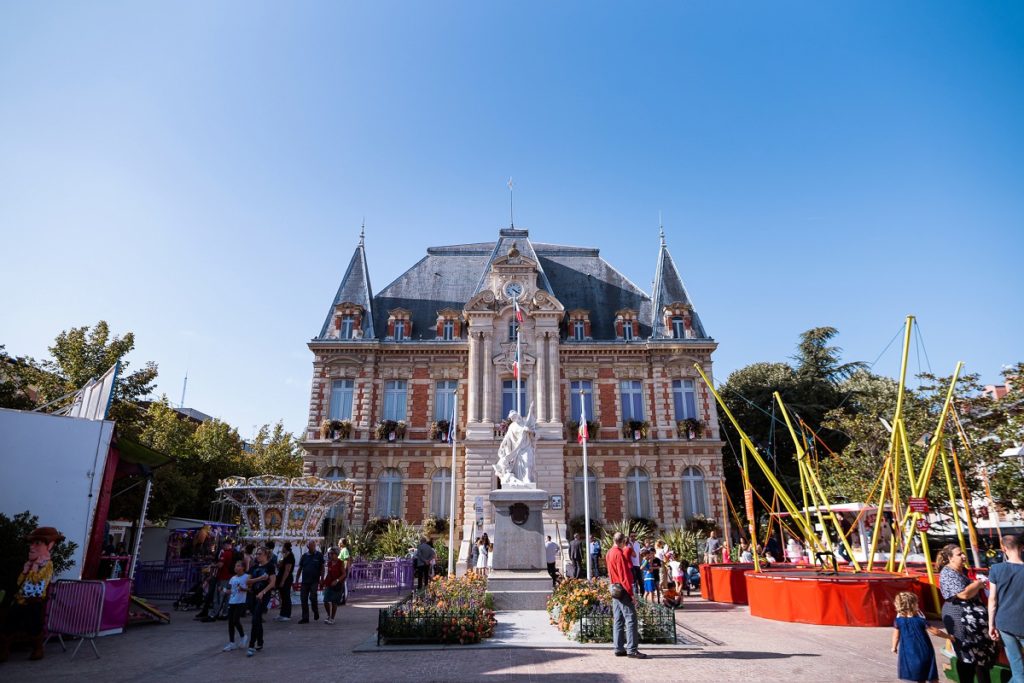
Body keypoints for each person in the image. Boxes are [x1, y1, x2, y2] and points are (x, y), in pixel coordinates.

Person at [937, 544, 998, 682]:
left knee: (980, 657)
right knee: (966, 655)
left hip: (974, 618)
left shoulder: (962, 571)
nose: (964, 556)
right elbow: (963, 595)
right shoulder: (947, 573)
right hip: (961, 618)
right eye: (959, 554)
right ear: (949, 558)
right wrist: (977, 584)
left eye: (963, 553)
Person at [605, 532, 647, 659]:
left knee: (618, 619)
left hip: (614, 587)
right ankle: (632, 649)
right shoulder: (619, 554)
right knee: (631, 618)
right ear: (623, 541)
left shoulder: (609, 553)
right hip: (622, 589)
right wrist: (631, 593)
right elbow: (624, 576)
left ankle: (618, 648)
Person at [988, 534, 1024, 682]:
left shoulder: (996, 569)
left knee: (1017, 667)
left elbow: (993, 600)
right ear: (1022, 548)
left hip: (1004, 623)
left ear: (1003, 549)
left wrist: (991, 624)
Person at [891, 591, 946, 683]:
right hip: (924, 650)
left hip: (907, 652)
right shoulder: (920, 620)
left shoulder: (898, 621)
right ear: (914, 605)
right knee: (930, 674)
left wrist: (894, 647)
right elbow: (935, 631)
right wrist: (949, 637)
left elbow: (896, 636)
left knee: (914, 675)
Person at [494, 405, 538, 487]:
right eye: (512, 418)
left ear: (518, 415)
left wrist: (529, 431)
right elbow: (507, 437)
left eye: (515, 416)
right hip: (517, 449)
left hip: (526, 447)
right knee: (519, 466)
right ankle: (522, 481)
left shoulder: (526, 423)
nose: (514, 419)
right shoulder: (512, 426)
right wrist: (503, 444)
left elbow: (535, 434)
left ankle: (527, 479)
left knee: (528, 463)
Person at [245, 548, 276, 657]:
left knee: (255, 619)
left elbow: (272, 583)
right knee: (256, 619)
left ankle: (251, 645)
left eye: (260, 554)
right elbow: (248, 581)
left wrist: (263, 592)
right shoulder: (254, 567)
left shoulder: (270, 566)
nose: (257, 556)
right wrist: (260, 578)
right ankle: (260, 641)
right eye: (256, 554)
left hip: (263, 595)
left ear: (266, 555)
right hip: (253, 594)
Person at [295, 541, 324, 623]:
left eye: (314, 546)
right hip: (305, 581)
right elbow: (300, 568)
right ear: (308, 547)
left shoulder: (319, 555)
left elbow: (322, 568)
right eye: (311, 546)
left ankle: (315, 611)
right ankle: (305, 617)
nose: (313, 547)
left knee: (313, 597)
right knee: (303, 599)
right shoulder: (304, 556)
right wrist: (297, 580)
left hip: (314, 580)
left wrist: (322, 578)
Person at [207, 539, 236, 621]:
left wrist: (213, 565)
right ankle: (225, 613)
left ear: (226, 544)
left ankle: (213, 614)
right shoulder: (234, 553)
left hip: (223, 577)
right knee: (228, 597)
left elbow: (220, 565)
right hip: (231, 577)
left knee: (219, 596)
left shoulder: (225, 553)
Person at [222, 560, 248, 651]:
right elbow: (229, 590)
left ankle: (243, 636)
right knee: (230, 623)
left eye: (239, 566)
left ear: (243, 567)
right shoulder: (232, 578)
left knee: (236, 620)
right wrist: (224, 590)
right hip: (232, 602)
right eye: (236, 566)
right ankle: (232, 643)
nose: (236, 567)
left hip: (240, 602)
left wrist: (243, 588)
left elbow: (249, 589)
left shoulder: (246, 577)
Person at [322, 548, 346, 624]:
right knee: (325, 600)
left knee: (334, 602)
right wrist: (324, 582)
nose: (330, 555)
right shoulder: (329, 563)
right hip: (329, 584)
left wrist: (337, 580)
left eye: (332, 554)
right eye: (330, 554)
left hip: (337, 585)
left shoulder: (340, 563)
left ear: (336, 554)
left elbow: (344, 574)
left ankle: (332, 618)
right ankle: (328, 615)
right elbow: (328, 573)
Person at [274, 541, 296, 622]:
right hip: (281, 576)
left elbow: (287, 570)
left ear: (285, 548)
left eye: (283, 547)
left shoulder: (290, 556)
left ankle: (287, 614)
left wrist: (283, 581)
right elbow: (281, 566)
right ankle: (282, 613)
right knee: (282, 596)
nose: (282, 548)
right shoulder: (285, 556)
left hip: (286, 579)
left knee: (286, 596)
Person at [337, 537, 352, 605]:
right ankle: (341, 599)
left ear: (342, 543)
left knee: (342, 585)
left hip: (343, 570)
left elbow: (347, 559)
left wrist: (345, 570)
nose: (338, 543)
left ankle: (341, 600)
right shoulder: (342, 550)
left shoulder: (345, 550)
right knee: (341, 585)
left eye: (339, 542)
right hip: (341, 570)